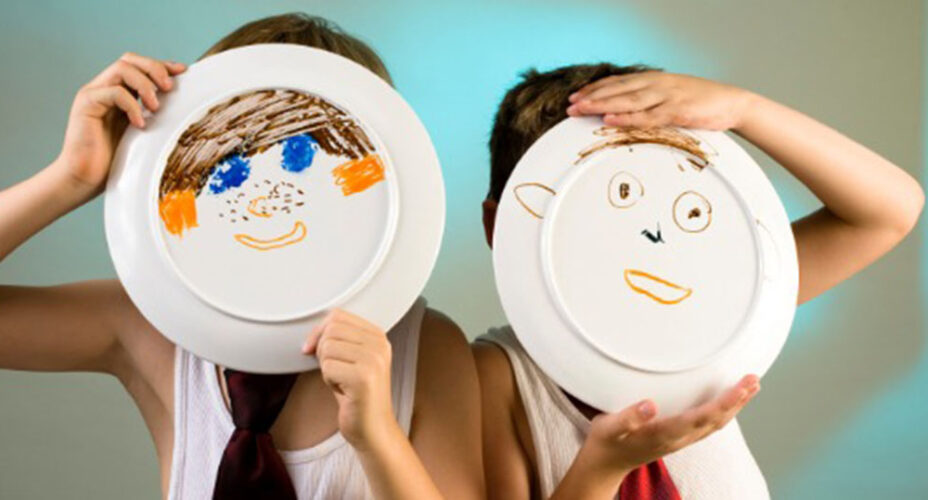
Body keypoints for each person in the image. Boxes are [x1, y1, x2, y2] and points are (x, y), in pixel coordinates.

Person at [0, 13, 483, 500]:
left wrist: (377, 438)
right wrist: (69, 179)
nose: (262, 198)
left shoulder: (426, 350)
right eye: (229, 166)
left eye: (300, 159)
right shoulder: (152, 325)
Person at [474, 63, 924, 499]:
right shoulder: (494, 377)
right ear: (501, 229)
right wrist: (605, 466)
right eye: (619, 198)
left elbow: (888, 212)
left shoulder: (716, 311)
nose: (651, 232)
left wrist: (746, 110)